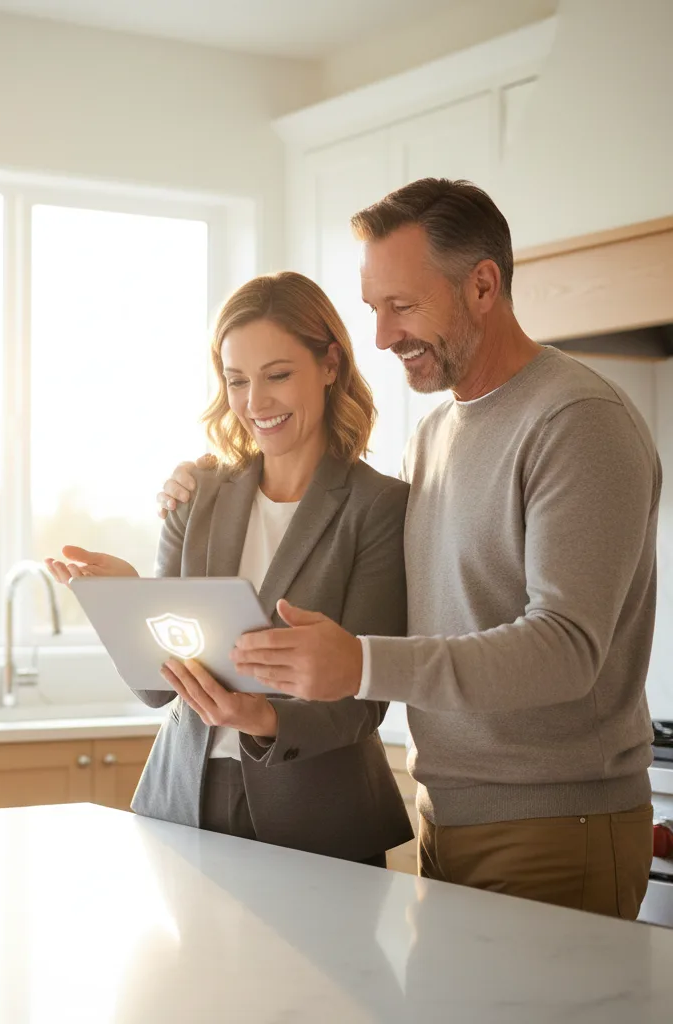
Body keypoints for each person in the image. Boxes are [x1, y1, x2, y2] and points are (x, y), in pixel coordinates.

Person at [156, 179, 659, 919]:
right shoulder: (436, 435)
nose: (383, 337)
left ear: (483, 285)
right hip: (447, 815)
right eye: (374, 310)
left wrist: (359, 662)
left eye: (404, 306)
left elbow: (566, 647)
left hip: (557, 822)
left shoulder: (576, 420)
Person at [46, 271, 412, 864]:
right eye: (237, 381)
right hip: (183, 802)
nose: (255, 403)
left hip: (317, 810)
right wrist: (123, 598)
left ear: (330, 365)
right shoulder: (197, 496)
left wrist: (262, 717)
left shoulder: (380, 507)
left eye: (278, 376)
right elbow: (154, 689)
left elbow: (365, 698)